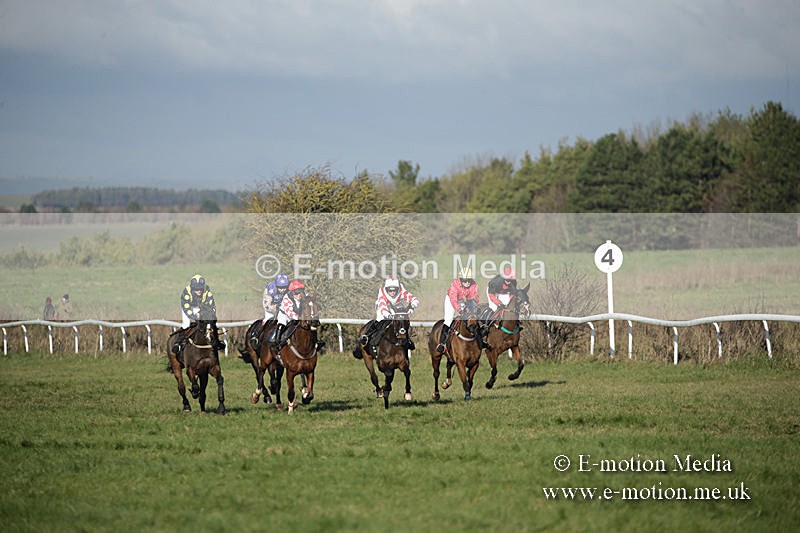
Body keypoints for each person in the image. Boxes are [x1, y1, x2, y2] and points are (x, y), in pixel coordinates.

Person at [358, 277, 419, 355]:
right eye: (390, 290)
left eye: (394, 290)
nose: (392, 292)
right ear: (386, 289)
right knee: (380, 320)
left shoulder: (401, 290)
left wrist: (412, 306)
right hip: (383, 306)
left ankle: (408, 339)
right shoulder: (382, 292)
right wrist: (387, 315)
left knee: (403, 321)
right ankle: (366, 336)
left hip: (397, 305)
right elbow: (382, 305)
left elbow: (414, 299)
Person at [173, 274, 225, 357]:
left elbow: (212, 306)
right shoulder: (186, 291)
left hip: (202, 308)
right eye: (196, 289)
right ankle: (178, 343)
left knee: (210, 325)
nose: (199, 291)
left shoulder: (207, 290)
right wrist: (196, 319)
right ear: (193, 288)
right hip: (189, 308)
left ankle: (217, 341)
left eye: (200, 289)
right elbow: (186, 307)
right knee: (186, 325)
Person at [437, 267, 488, 352]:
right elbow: (453, 300)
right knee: (448, 320)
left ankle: (480, 340)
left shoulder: (474, 285)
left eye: (469, 280)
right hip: (452, 300)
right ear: (460, 279)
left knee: (474, 318)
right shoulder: (455, 284)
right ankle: (441, 343)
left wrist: (473, 309)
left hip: (465, 301)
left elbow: (475, 299)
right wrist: (460, 310)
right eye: (464, 280)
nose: (467, 282)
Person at [269, 279, 324, 351]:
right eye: (296, 292)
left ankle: (316, 341)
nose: (299, 295)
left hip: (299, 315)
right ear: (291, 292)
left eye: (300, 292)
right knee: (281, 323)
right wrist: (298, 317)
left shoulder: (306, 296)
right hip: (285, 315)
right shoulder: (287, 298)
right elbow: (289, 311)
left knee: (311, 325)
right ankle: (277, 341)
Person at [249, 274, 290, 349]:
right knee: (267, 319)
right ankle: (255, 336)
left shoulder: (290, 288)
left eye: (285, 287)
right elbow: (267, 305)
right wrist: (275, 308)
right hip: (271, 307)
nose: (283, 290)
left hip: (283, 308)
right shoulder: (270, 289)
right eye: (280, 287)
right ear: (276, 286)